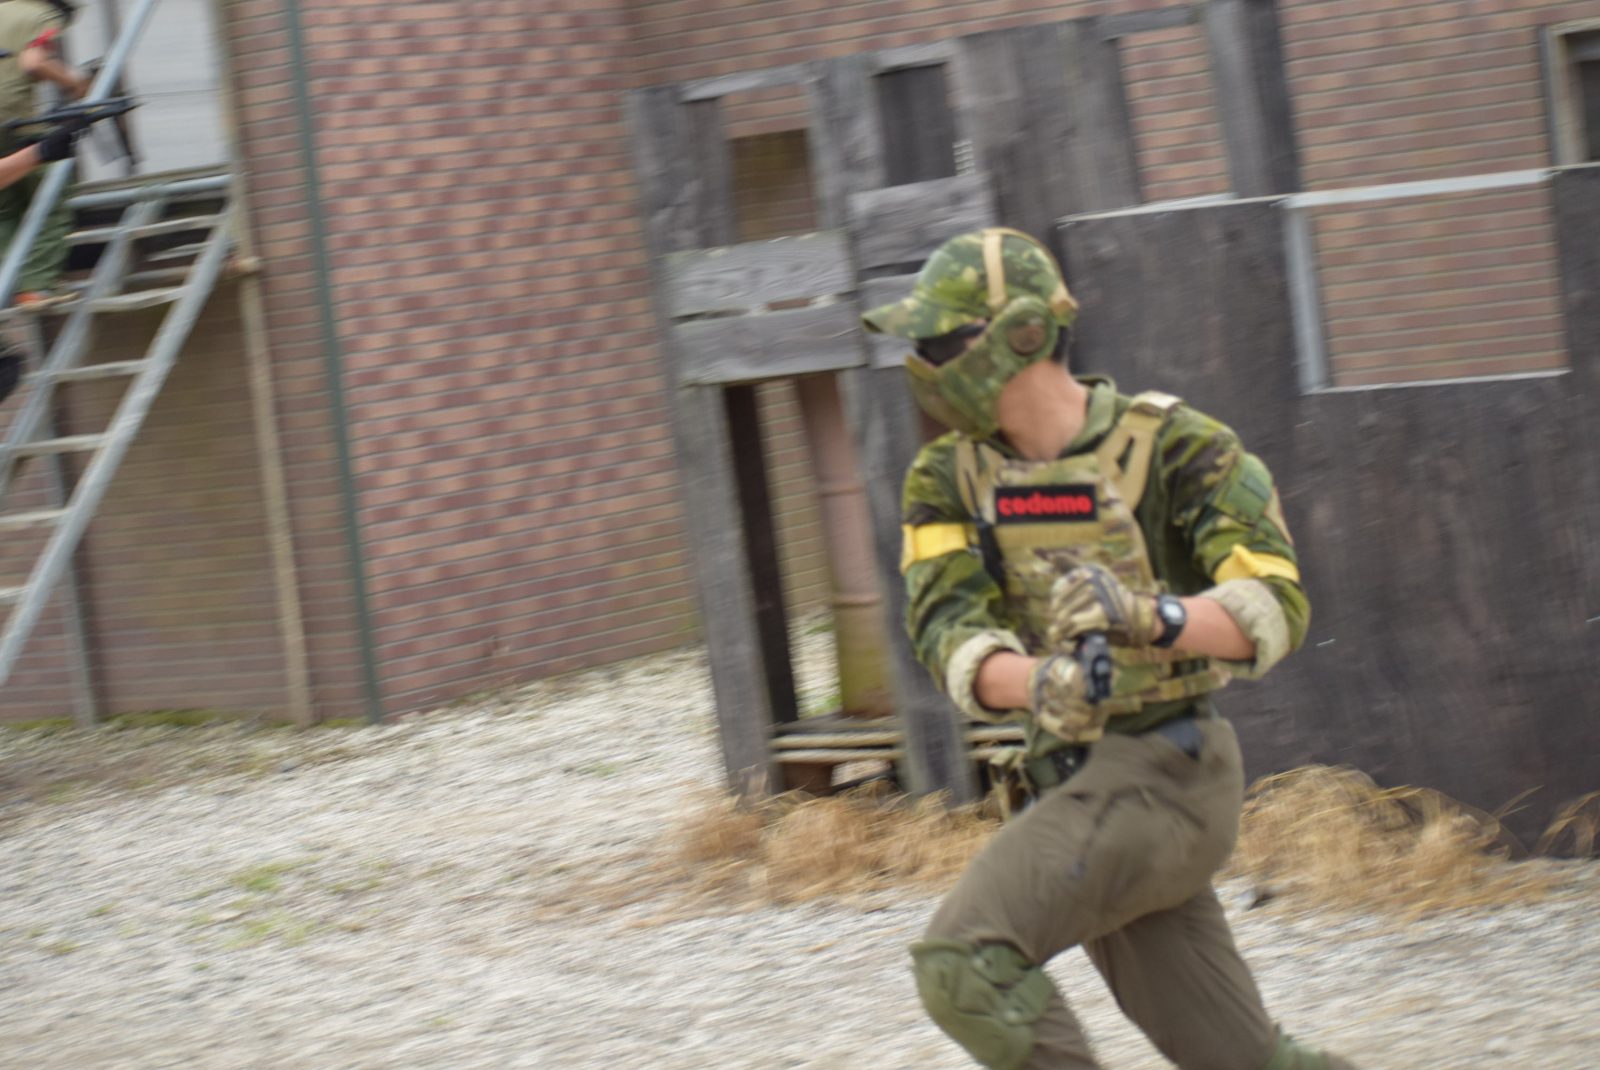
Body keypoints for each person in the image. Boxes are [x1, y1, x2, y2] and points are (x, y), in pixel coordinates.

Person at [861, 227, 1355, 1070]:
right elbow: (948, 631)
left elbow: (1275, 606)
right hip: (1072, 785)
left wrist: (1148, 617)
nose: (925, 365)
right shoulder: (948, 478)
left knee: (963, 966)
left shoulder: (1180, 447)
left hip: (1169, 775)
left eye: (941, 344)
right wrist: (1038, 683)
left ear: (1022, 334)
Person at [0, 0, 89, 305]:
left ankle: (10, 285)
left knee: (4, 210)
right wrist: (75, 82)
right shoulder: (43, 14)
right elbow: (33, 62)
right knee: (50, 194)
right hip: (12, 122)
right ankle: (37, 286)